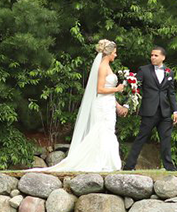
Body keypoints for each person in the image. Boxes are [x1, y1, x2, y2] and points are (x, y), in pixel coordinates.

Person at [41, 39, 128, 172]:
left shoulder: (108, 66)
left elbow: (107, 91)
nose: (115, 55)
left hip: (108, 104)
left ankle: (107, 162)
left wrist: (117, 104)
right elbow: (100, 90)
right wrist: (117, 89)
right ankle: (99, 161)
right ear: (109, 53)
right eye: (114, 53)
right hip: (102, 105)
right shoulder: (102, 67)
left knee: (108, 131)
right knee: (102, 131)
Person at [124, 45, 177, 171]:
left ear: (163, 57)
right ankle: (129, 166)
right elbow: (135, 88)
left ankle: (169, 167)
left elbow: (171, 93)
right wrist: (127, 104)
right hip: (149, 110)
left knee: (166, 139)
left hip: (165, 112)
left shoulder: (169, 72)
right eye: (152, 55)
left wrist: (175, 110)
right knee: (141, 138)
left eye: (156, 55)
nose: (153, 57)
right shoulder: (144, 70)